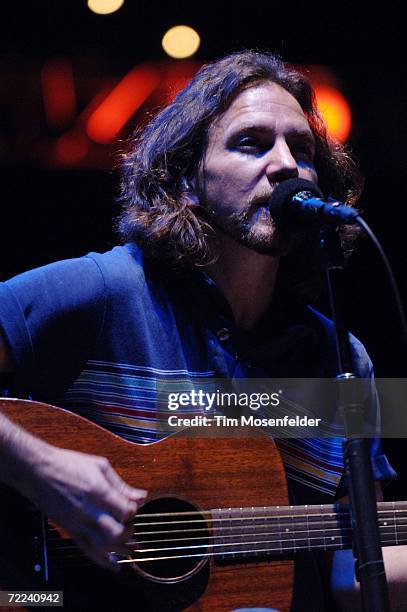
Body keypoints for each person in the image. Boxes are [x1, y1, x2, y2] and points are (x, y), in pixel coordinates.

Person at [0, 50, 405, 610]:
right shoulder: (99, 293)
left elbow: (359, 575)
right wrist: (41, 469)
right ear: (186, 180)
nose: (287, 165)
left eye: (303, 149)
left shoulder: (341, 360)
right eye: (251, 143)